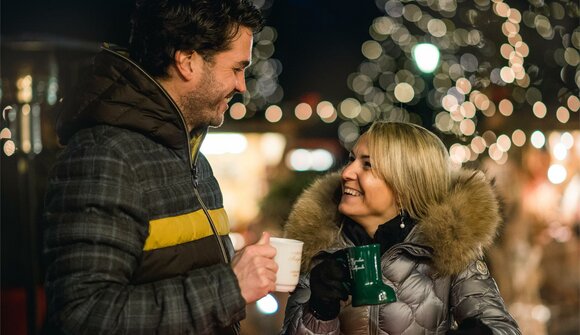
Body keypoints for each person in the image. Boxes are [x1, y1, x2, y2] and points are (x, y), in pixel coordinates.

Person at [42, 0, 278, 334]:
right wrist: (229, 287)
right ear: (187, 61)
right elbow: (82, 317)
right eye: (237, 68)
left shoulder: (193, 158)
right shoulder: (106, 156)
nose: (242, 85)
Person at [281, 121, 521, 335]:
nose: (346, 172)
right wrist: (319, 312)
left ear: (405, 183)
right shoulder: (319, 249)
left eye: (367, 165)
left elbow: (502, 326)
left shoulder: (449, 251)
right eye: (351, 159)